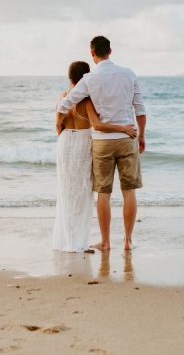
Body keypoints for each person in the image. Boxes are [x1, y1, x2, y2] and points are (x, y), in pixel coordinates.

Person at [56, 36, 147, 251]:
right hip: (127, 138)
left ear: (92, 53)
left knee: (103, 193)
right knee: (129, 191)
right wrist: (141, 135)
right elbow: (140, 109)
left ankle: (105, 243)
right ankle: (127, 241)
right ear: (110, 51)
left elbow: (65, 103)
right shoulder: (128, 73)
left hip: (102, 143)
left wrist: (59, 125)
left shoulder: (89, 78)